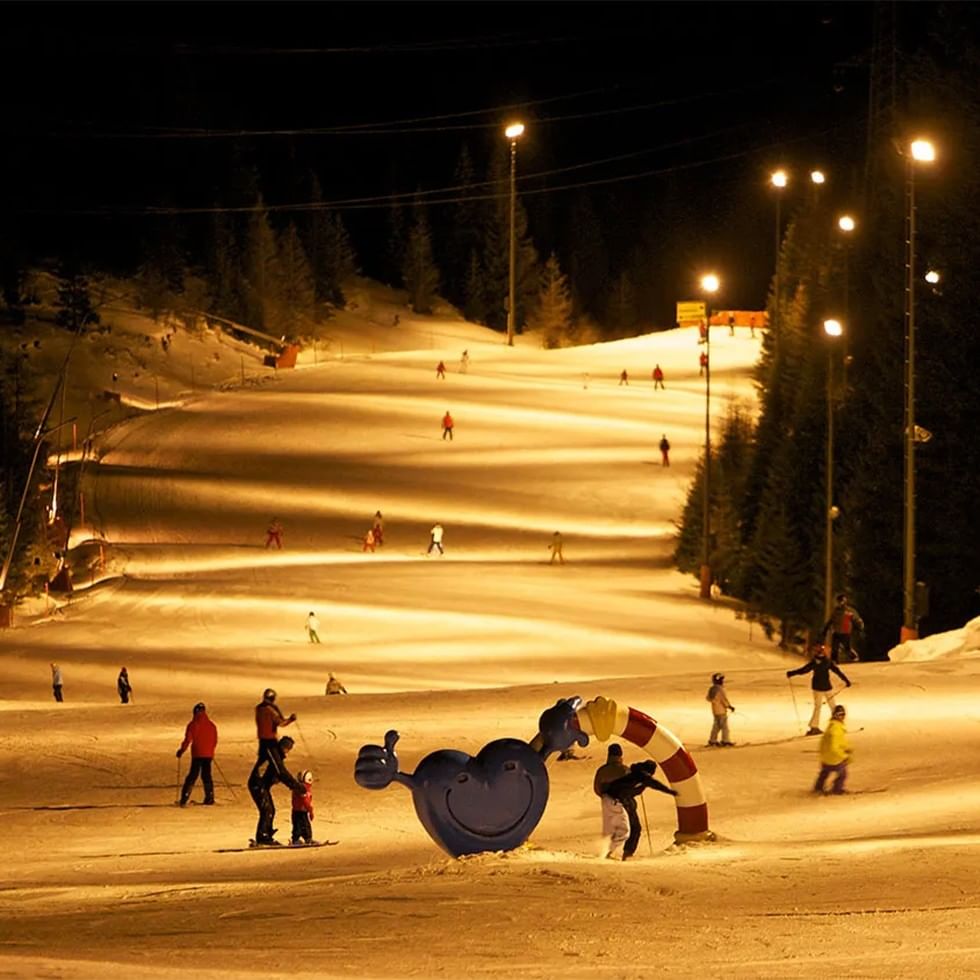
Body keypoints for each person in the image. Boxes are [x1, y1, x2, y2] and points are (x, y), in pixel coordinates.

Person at [603, 760, 679, 861]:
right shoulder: (642, 775)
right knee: (625, 829)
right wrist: (670, 792)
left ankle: (626, 853)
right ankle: (609, 853)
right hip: (616, 800)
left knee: (634, 828)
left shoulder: (636, 774)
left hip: (622, 800)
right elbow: (655, 784)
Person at [248, 735, 305, 845]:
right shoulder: (274, 754)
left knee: (270, 810)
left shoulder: (275, 755)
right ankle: (263, 836)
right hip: (257, 784)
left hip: (261, 785)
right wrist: (296, 786)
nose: (287, 752)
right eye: (288, 749)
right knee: (267, 810)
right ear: (284, 747)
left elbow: (276, 772)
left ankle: (266, 834)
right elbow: (281, 772)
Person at [787, 645, 851, 735]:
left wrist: (792, 673)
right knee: (832, 706)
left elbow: (804, 670)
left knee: (819, 707)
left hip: (818, 687)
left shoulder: (816, 662)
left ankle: (815, 726)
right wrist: (846, 680)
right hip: (825, 687)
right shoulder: (827, 662)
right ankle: (835, 726)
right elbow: (837, 671)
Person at [176, 702, 218, 806]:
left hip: (197, 754)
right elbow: (214, 740)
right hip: (208, 755)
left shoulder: (193, 724)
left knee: (192, 775)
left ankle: (184, 798)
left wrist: (181, 750)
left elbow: (188, 739)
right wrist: (211, 751)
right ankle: (210, 797)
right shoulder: (211, 725)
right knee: (206, 776)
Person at [593, 744, 630, 859]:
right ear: (620, 755)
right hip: (617, 801)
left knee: (609, 828)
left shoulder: (602, 770)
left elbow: (596, 787)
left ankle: (604, 851)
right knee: (624, 830)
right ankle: (608, 851)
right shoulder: (624, 770)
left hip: (605, 799)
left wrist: (604, 796)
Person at [814, 704, 852, 795]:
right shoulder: (836, 729)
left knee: (825, 772)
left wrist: (847, 748)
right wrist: (843, 756)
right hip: (834, 757)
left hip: (826, 757)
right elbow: (834, 746)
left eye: (843, 714)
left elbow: (838, 742)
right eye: (839, 714)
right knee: (842, 774)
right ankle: (837, 789)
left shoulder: (831, 726)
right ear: (835, 715)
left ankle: (818, 787)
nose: (842, 717)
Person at [255, 688, 296, 763]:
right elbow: (281, 723)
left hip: (262, 740)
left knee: (262, 762)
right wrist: (291, 719)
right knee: (276, 763)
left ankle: (256, 775)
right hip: (271, 740)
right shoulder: (272, 710)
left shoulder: (259, 708)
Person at [822, 592, 865, 663]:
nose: (840, 603)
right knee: (835, 647)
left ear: (844, 601)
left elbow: (856, 619)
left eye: (841, 601)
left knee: (846, 648)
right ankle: (834, 661)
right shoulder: (836, 611)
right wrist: (825, 629)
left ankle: (853, 656)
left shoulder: (849, 611)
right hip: (836, 632)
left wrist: (860, 627)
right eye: (839, 602)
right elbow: (831, 620)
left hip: (846, 632)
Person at [706, 672, 735, 746]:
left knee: (716, 726)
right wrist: (729, 706)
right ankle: (725, 740)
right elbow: (723, 700)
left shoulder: (712, 689)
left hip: (715, 710)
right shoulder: (720, 689)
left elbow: (708, 698)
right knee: (724, 727)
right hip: (721, 710)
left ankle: (713, 740)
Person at [291, 769, 316, 845]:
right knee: (301, 826)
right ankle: (299, 839)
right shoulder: (303, 789)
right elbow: (306, 802)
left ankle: (306, 838)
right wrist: (310, 811)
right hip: (300, 811)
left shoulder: (299, 788)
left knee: (301, 825)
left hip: (298, 811)